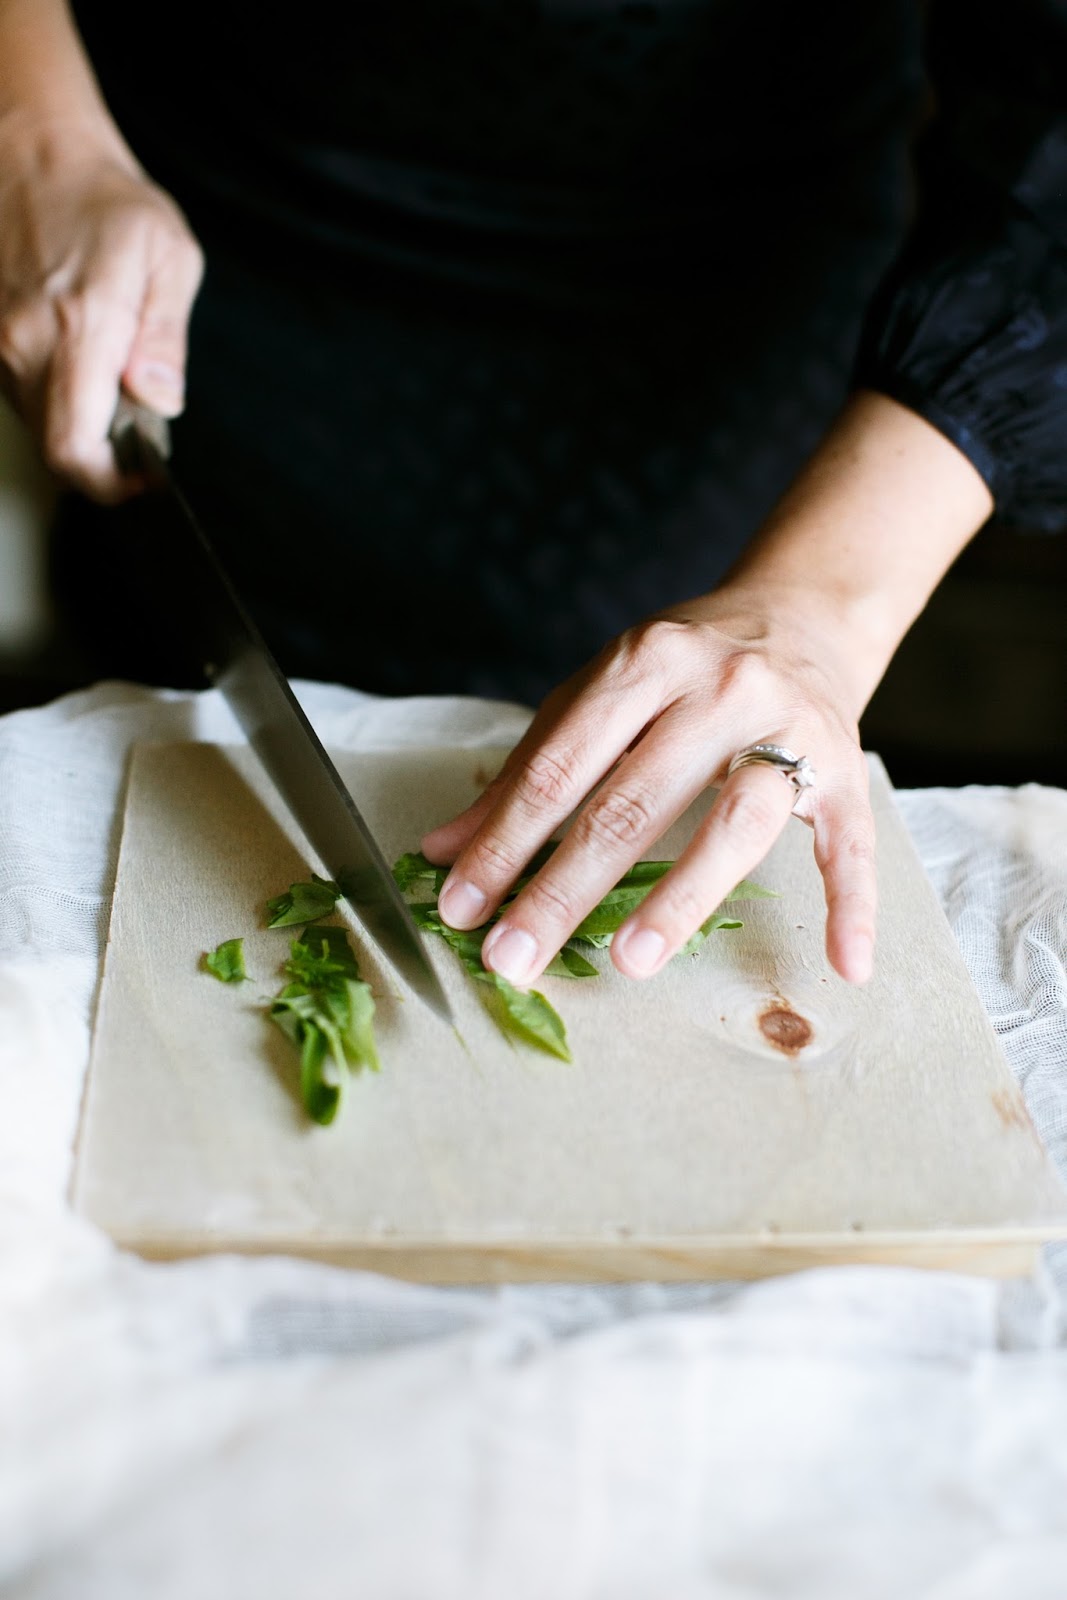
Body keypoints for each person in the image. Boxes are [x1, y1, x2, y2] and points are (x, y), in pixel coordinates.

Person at [1, 0, 1064, 994]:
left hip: (700, 358)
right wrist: (32, 122)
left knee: (655, 798)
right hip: (202, 286)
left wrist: (822, 603)